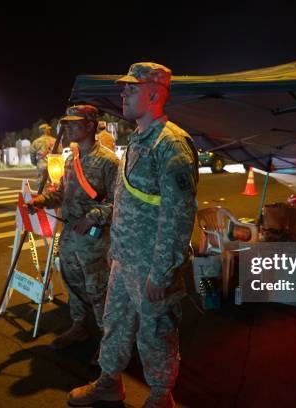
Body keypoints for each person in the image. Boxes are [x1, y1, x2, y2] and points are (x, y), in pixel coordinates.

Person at [68, 62, 199, 408]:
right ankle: (109, 383)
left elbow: (178, 215)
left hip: (152, 266)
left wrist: (162, 271)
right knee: (115, 325)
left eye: (131, 88)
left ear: (154, 93)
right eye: (123, 88)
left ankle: (160, 397)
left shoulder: (171, 145)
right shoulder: (139, 140)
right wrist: (117, 251)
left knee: (156, 336)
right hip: (125, 260)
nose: (122, 94)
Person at [27, 106, 119, 350]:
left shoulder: (109, 161)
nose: (67, 128)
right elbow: (63, 195)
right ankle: (79, 326)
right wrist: (42, 201)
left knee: (98, 290)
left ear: (90, 125)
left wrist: (93, 216)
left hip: (94, 240)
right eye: (66, 124)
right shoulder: (71, 160)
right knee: (73, 284)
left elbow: (119, 202)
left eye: (74, 123)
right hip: (69, 235)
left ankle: (106, 341)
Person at [30, 123, 61, 188]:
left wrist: (38, 163)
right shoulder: (54, 140)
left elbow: (32, 157)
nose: (50, 130)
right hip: (53, 166)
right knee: (55, 185)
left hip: (42, 166)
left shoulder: (35, 142)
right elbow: (60, 153)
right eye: (48, 129)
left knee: (41, 185)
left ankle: (42, 196)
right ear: (46, 130)